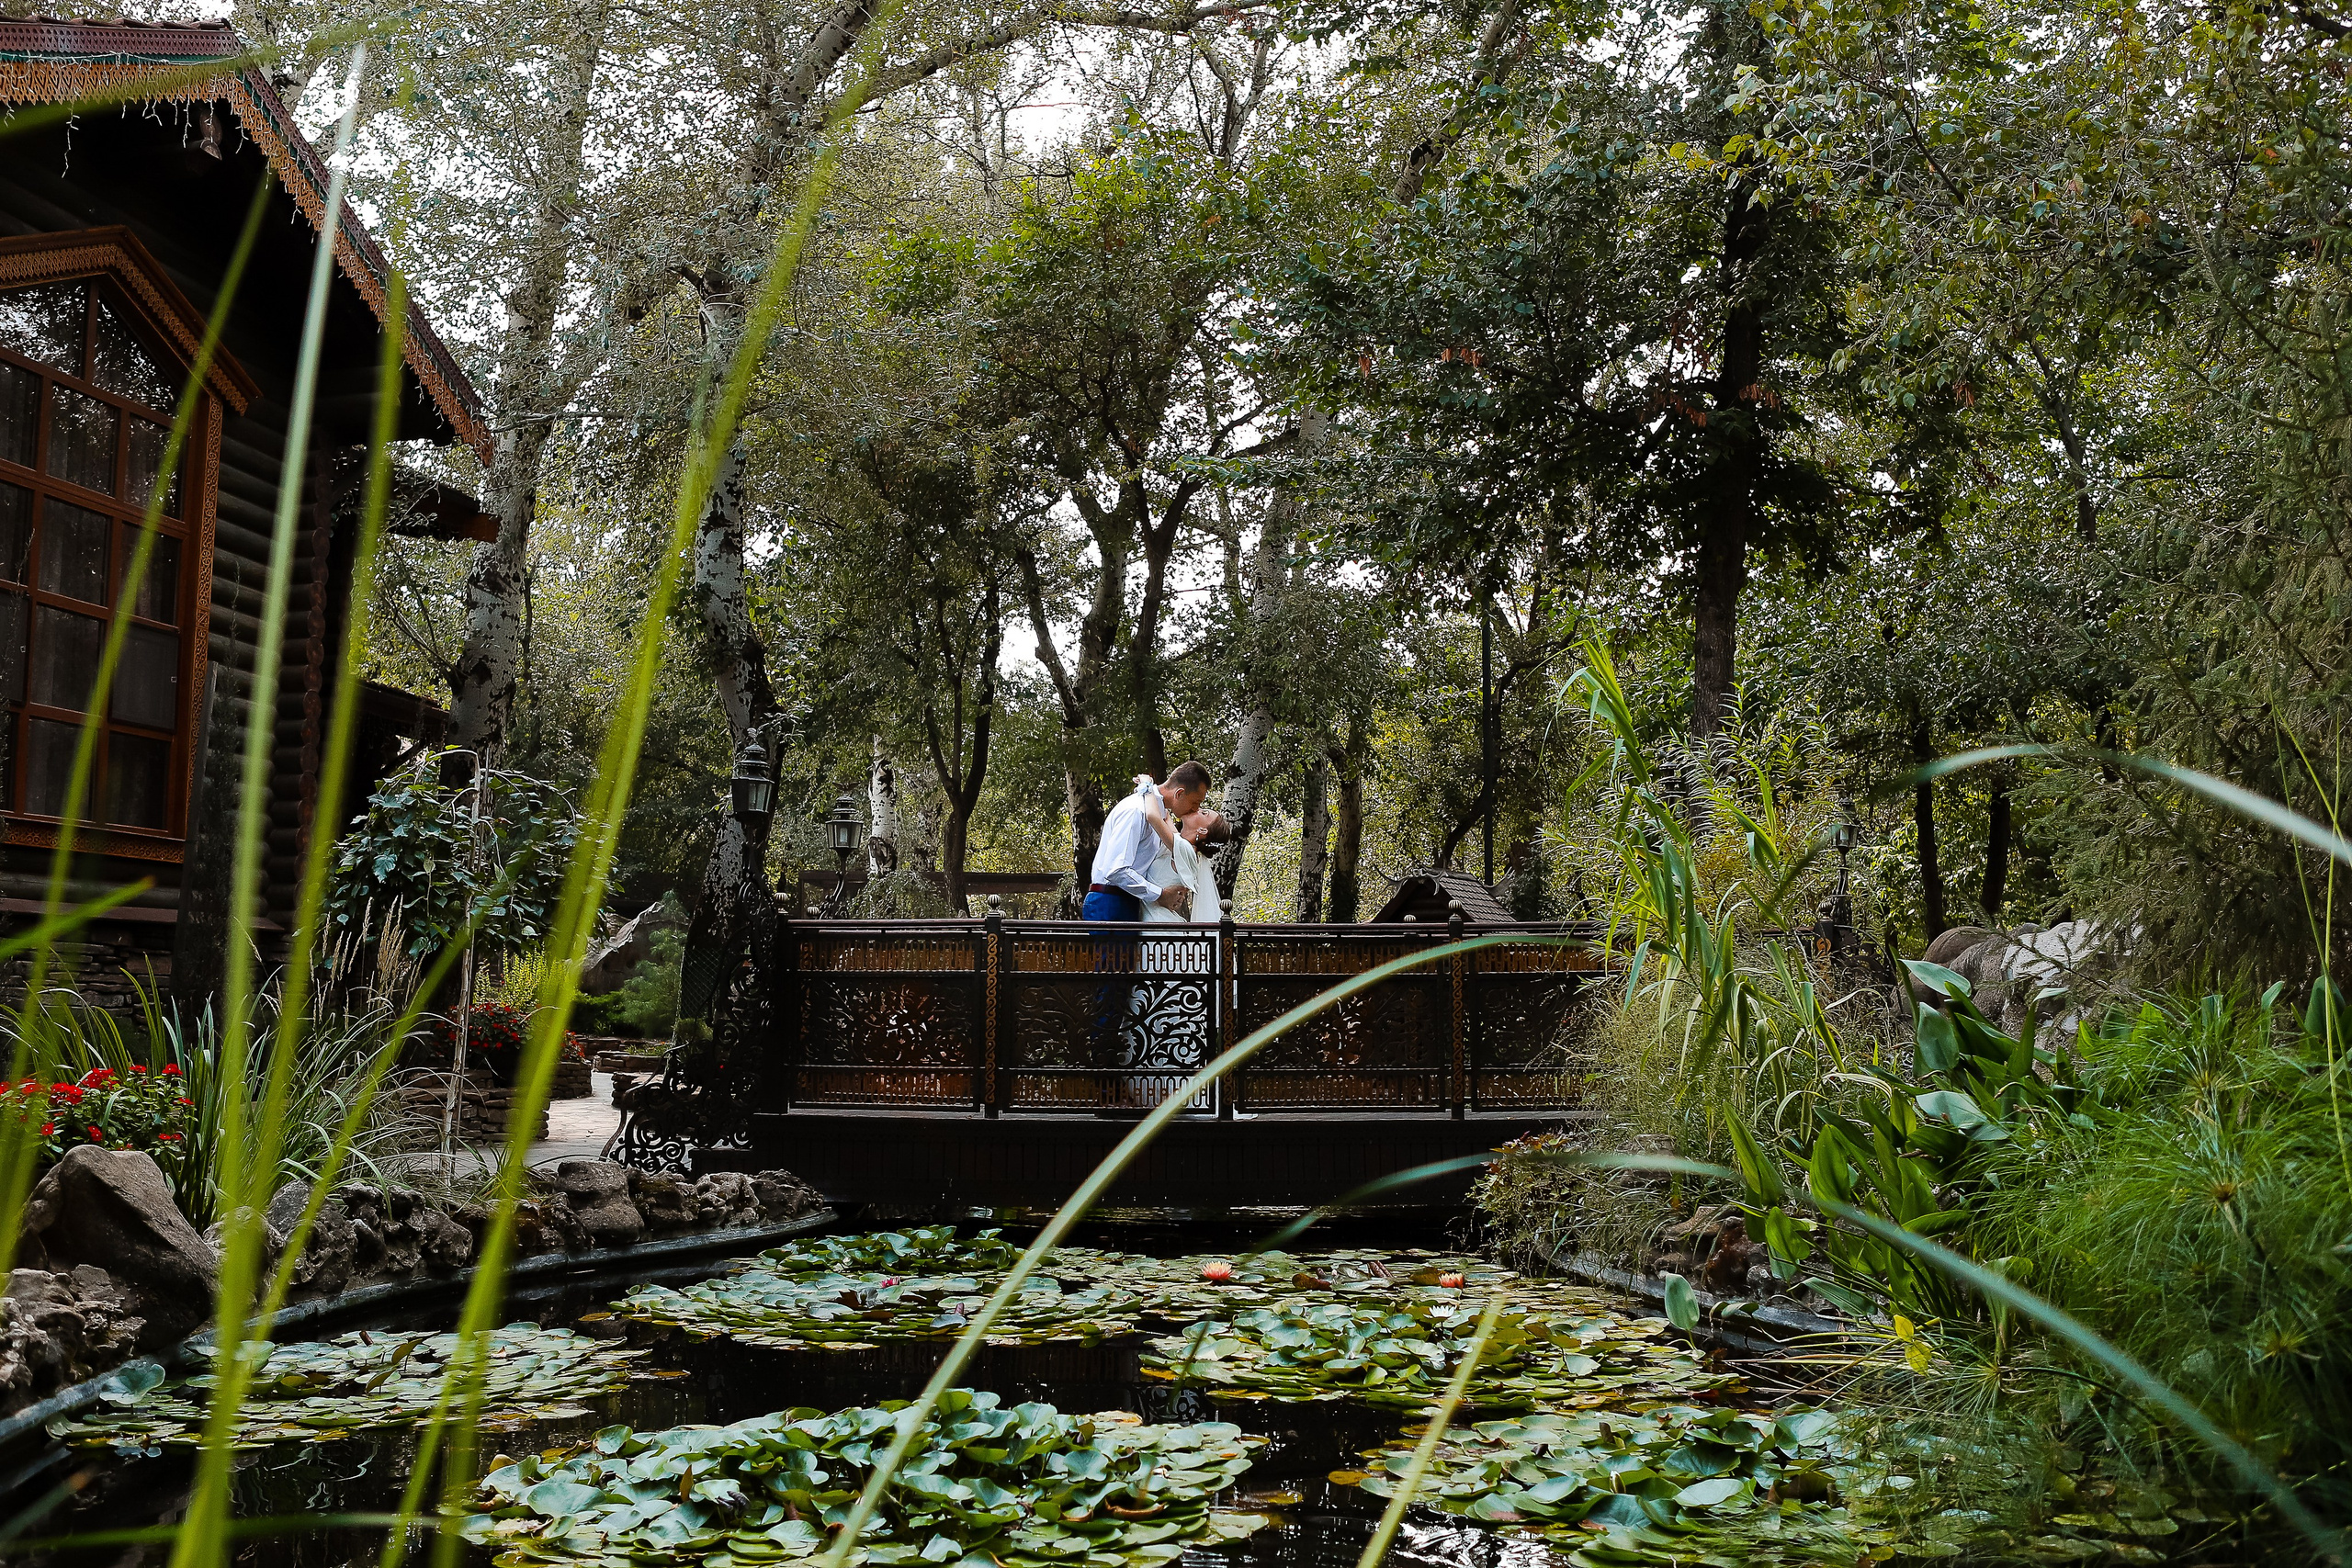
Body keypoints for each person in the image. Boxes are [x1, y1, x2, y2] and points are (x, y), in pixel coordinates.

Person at [1084, 760, 1214, 1081]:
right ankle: (1103, 1082)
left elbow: (1159, 821)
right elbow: (1116, 868)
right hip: (1111, 903)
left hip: (1127, 905)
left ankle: (1120, 1076)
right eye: (1196, 803)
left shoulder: (1156, 813)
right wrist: (1158, 895)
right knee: (1111, 991)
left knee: (1125, 994)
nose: (1194, 809)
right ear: (1180, 792)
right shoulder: (1136, 811)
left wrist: (1149, 790)